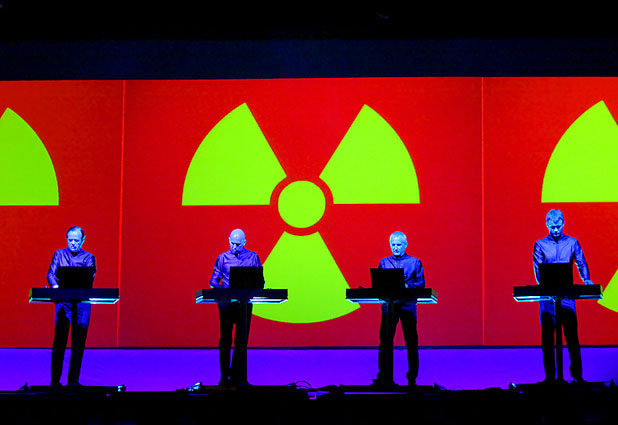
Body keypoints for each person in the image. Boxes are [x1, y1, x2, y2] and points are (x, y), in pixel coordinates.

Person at [533, 209, 593, 384]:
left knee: (572, 337)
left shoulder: (573, 242)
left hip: (566, 299)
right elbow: (538, 270)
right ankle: (550, 378)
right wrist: (546, 287)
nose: (555, 230)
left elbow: (581, 262)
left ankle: (577, 376)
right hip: (547, 300)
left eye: (558, 227)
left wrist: (586, 279)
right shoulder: (540, 244)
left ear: (563, 224)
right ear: (547, 224)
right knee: (547, 340)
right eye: (552, 227)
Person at [209, 228, 262, 386]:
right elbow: (213, 280)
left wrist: (254, 288)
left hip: (244, 305)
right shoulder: (222, 258)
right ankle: (224, 378)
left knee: (242, 341)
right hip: (226, 304)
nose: (234, 247)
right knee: (225, 340)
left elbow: (260, 281)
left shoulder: (253, 257)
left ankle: (239, 378)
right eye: (232, 243)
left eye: (237, 244)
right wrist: (221, 290)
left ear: (244, 242)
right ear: (228, 240)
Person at [46, 226, 96, 389]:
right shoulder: (59, 254)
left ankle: (73, 381)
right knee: (59, 341)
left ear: (83, 240)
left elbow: (88, 279)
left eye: (76, 240)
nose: (73, 243)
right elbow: (51, 274)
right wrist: (56, 288)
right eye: (70, 240)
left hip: (81, 304)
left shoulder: (89, 257)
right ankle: (55, 382)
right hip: (63, 302)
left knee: (78, 342)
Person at [374, 231, 425, 387]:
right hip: (389, 306)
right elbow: (378, 285)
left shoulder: (415, 262)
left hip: (407, 305)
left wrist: (407, 286)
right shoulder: (384, 262)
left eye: (398, 245)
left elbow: (420, 284)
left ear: (405, 245)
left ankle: (412, 377)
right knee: (385, 341)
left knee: (411, 341)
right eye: (393, 245)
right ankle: (384, 377)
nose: (395, 248)